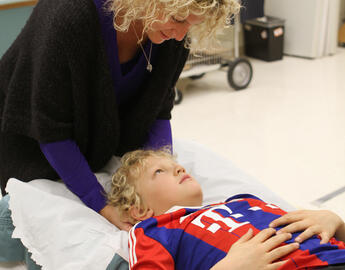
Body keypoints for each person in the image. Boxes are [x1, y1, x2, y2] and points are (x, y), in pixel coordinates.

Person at [0, 0, 240, 230]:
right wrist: (100, 204)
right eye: (178, 19)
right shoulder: (70, 15)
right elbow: (51, 131)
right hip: (30, 145)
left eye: (192, 24)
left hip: (95, 142)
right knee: (31, 233)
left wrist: (161, 170)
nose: (180, 35)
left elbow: (158, 109)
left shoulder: (173, 30)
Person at [107, 149, 345, 270]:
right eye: (159, 172)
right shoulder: (154, 231)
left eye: (176, 165)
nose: (179, 169)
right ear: (139, 209)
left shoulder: (243, 201)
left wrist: (335, 222)